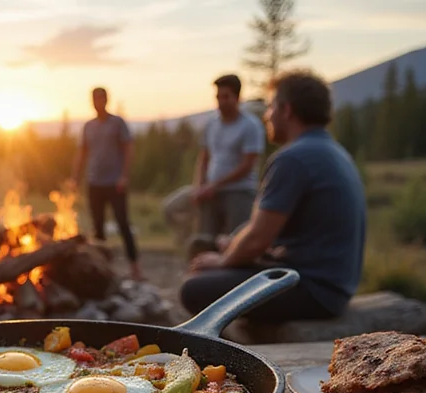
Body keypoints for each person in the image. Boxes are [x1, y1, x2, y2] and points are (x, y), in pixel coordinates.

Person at [179, 70, 366, 323]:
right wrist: (232, 244)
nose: (267, 115)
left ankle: (229, 351)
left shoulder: (293, 158)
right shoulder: (332, 151)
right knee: (206, 249)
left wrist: (224, 260)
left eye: (270, 107)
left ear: (286, 110)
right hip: (330, 284)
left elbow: (257, 239)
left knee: (194, 287)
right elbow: (270, 228)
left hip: (312, 289)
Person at [163, 74, 265, 257]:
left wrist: (214, 185)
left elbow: (247, 165)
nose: (221, 102)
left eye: (226, 97)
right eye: (218, 97)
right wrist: (199, 186)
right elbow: (204, 157)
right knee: (200, 235)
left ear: (237, 97)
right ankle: (198, 267)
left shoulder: (250, 125)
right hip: (210, 190)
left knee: (235, 242)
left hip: (239, 190)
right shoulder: (212, 123)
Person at [72, 87, 143, 280]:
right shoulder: (89, 126)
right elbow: (82, 153)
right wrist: (75, 178)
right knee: (98, 227)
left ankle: (135, 268)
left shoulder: (117, 123)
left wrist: (124, 176)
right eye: (94, 99)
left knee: (122, 223)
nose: (98, 103)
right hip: (94, 182)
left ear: (106, 100)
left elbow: (128, 149)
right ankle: (103, 270)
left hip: (115, 182)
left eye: (101, 99)